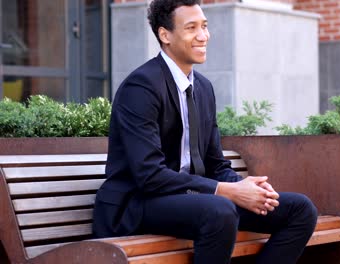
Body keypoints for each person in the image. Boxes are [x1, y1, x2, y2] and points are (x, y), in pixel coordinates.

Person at [92, 0, 318, 263]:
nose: (203, 36)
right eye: (191, 28)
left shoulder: (203, 88)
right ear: (165, 35)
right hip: (135, 205)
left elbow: (215, 163)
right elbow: (149, 176)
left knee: (300, 210)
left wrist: (245, 187)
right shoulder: (141, 87)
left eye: (205, 26)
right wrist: (227, 191)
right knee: (219, 210)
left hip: (190, 201)